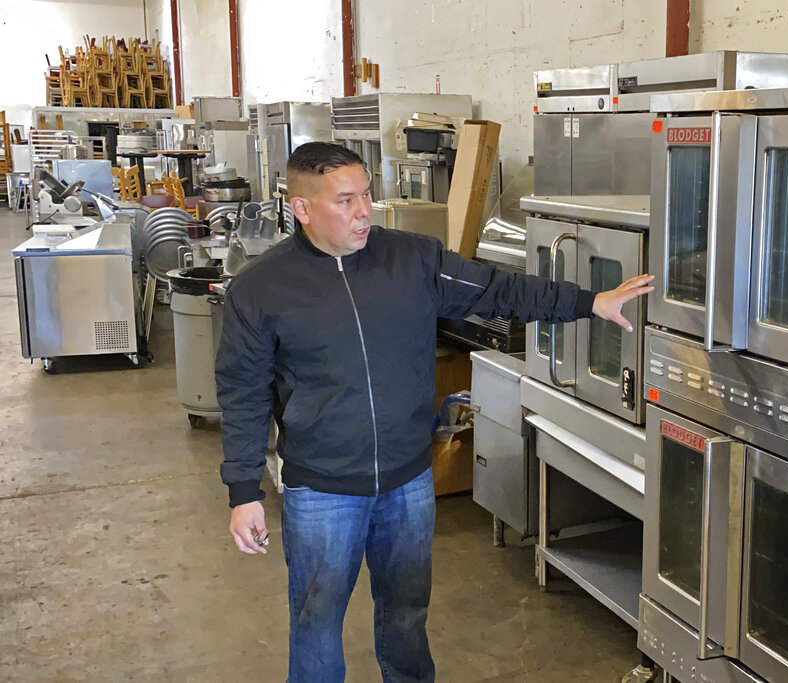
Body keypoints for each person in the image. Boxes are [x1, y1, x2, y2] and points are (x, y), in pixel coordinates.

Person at [216, 141, 654, 683]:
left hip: (407, 483)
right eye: (345, 201)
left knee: (405, 616)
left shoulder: (413, 259)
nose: (364, 212)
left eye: (367, 196)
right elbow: (243, 392)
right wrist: (243, 493)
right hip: (322, 491)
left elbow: (502, 289)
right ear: (302, 208)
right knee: (316, 620)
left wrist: (590, 302)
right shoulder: (261, 288)